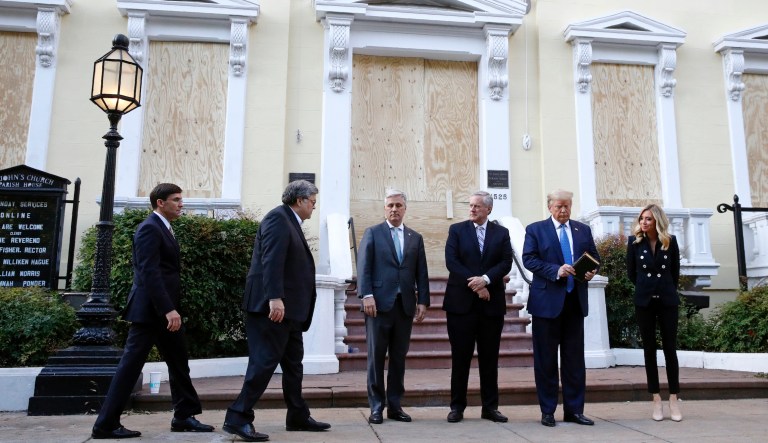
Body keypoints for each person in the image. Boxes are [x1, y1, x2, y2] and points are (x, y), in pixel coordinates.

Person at [92, 183, 214, 439]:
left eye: (181, 199)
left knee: (179, 362)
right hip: (150, 312)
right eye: (176, 199)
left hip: (164, 311)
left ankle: (183, 416)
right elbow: (149, 272)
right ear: (160, 202)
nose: (182, 204)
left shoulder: (164, 228)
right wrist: (168, 308)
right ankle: (106, 424)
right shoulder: (149, 228)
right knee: (130, 366)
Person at [223, 180, 330, 442]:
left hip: (290, 312)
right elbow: (271, 260)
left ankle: (297, 415)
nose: (314, 207)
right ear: (300, 200)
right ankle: (237, 417)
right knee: (264, 363)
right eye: (313, 202)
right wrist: (275, 298)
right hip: (272, 309)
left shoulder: (289, 220)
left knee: (293, 365)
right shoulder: (278, 219)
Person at [522, 189, 599, 428]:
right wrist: (556, 270)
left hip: (574, 303)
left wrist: (591, 271)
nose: (564, 210)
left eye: (567, 206)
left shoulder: (582, 230)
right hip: (546, 305)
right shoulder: (535, 229)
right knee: (545, 361)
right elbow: (529, 259)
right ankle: (547, 411)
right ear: (550, 207)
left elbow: (594, 257)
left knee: (574, 360)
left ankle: (574, 411)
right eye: (559, 206)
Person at [357, 189, 430, 424]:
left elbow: (422, 272)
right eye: (390, 205)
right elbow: (364, 267)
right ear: (384, 208)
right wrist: (366, 295)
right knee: (376, 358)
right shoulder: (373, 233)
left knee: (399, 358)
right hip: (377, 305)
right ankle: (376, 406)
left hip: (404, 306)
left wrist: (423, 301)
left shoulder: (414, 237)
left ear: (405, 208)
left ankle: (395, 406)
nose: (394, 209)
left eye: (398, 205)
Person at [443, 191, 513, 423]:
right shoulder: (457, 230)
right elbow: (452, 262)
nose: (472, 209)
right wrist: (477, 284)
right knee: (460, 358)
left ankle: (490, 407)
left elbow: (505, 262)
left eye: (477, 206)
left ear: (488, 210)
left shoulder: (501, 233)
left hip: (490, 307)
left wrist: (487, 280)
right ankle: (457, 407)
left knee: (489, 358)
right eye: (470, 205)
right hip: (461, 305)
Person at [626, 204, 682, 422]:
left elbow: (674, 272)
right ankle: (656, 399)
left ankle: (674, 399)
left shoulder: (670, 241)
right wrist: (647, 289)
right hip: (644, 301)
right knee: (649, 349)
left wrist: (663, 290)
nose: (644, 222)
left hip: (667, 301)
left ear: (657, 220)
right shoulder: (634, 243)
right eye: (642, 219)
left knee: (670, 349)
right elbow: (632, 273)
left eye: (648, 219)